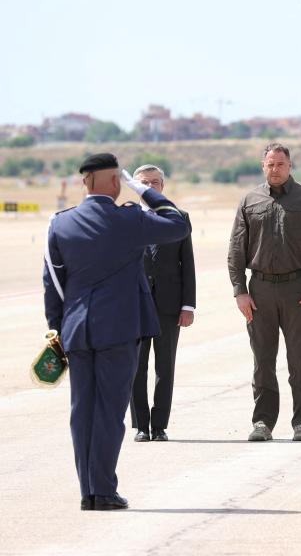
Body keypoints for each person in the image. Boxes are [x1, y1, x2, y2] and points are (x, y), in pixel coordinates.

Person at [42, 153, 189, 511]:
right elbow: (177, 223)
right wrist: (147, 193)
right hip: (118, 330)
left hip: (76, 330)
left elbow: (52, 283)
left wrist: (56, 328)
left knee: (82, 412)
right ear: (114, 183)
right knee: (109, 412)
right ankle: (103, 490)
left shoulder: (61, 224)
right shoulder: (129, 219)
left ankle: (87, 491)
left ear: (84, 182)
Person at [228, 143, 301, 442]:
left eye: (280, 164)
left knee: (299, 360)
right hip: (259, 291)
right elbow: (235, 249)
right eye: (270, 164)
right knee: (263, 361)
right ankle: (263, 422)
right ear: (263, 166)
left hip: (298, 289)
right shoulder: (250, 200)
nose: (275, 169)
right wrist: (239, 291)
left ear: (290, 166)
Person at [129, 164, 196, 443]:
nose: (151, 187)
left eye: (155, 182)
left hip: (170, 305)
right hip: (134, 306)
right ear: (135, 186)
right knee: (136, 367)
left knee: (164, 366)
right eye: (145, 182)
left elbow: (188, 265)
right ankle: (141, 426)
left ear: (163, 186)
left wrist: (188, 305)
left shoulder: (179, 218)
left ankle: (159, 426)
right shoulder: (126, 218)